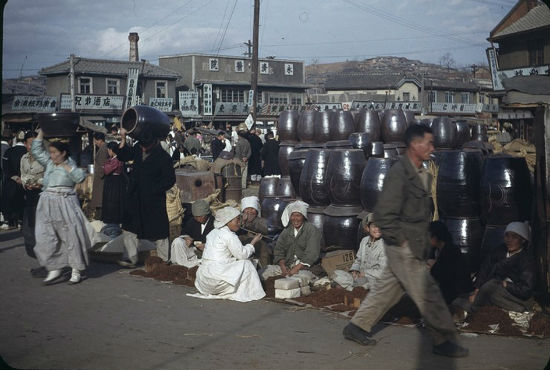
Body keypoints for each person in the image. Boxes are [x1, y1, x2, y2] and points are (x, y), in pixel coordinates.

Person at [343, 124, 468, 358]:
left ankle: (356, 326)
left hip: (414, 246)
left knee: (386, 291)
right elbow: (383, 214)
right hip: (404, 247)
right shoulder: (400, 174)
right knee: (427, 292)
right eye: (428, 143)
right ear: (415, 145)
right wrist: (402, 242)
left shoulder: (423, 172)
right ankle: (442, 340)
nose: (432, 147)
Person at [31, 130, 90, 285]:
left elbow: (80, 177)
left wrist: (66, 167)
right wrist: (42, 131)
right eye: (50, 152)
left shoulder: (70, 164)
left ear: (63, 153)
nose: (52, 155)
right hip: (46, 202)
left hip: (65, 202)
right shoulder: (50, 163)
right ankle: (54, 268)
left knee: (70, 236)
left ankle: (76, 269)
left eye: (55, 152)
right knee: (46, 236)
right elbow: (36, 150)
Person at [115, 127, 176, 266]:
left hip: (153, 200)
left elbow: (170, 180)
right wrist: (123, 138)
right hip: (135, 197)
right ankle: (131, 257)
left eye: (146, 146)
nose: (143, 148)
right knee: (130, 228)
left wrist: (154, 189)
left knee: (159, 232)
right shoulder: (138, 148)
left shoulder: (164, 157)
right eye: (142, 145)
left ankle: (164, 260)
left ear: (154, 143)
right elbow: (123, 155)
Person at [193, 206, 265, 302]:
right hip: (216, 279)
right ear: (227, 221)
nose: (239, 223)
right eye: (237, 220)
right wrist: (253, 243)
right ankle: (251, 292)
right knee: (246, 263)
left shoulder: (212, 233)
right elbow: (242, 255)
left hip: (203, 280)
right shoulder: (229, 235)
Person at [468, 221, 535, 313]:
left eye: (514, 237)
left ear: (523, 240)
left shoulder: (526, 260)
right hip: (492, 290)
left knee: (491, 289)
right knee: (487, 290)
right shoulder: (499, 251)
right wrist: (477, 290)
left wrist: (507, 285)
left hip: (515, 296)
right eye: (507, 235)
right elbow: (485, 269)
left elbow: (526, 290)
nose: (509, 240)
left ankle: (476, 308)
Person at [427, 221, 473, 306]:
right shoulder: (435, 250)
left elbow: (448, 275)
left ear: (436, 237)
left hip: (456, 292)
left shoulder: (452, 251)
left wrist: (433, 266)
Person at [20, 131, 46, 277]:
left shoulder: (44, 158)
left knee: (42, 233)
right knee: (28, 232)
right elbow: (23, 175)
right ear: (25, 144)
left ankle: (46, 264)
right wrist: (26, 183)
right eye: (30, 143)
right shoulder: (23, 158)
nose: (33, 146)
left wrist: (38, 184)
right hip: (29, 199)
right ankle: (44, 261)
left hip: (42, 197)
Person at [272, 200, 322, 277]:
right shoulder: (286, 231)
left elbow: (311, 253)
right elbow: (279, 251)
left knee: (299, 279)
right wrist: (283, 266)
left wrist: (295, 269)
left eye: (298, 215)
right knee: (267, 272)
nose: (295, 218)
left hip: (306, 267)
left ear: (303, 217)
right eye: (292, 215)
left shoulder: (311, 230)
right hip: (288, 266)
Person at [348, 213, 387, 290]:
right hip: (361, 276)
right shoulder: (364, 241)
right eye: (374, 226)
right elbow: (358, 260)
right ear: (367, 228)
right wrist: (354, 270)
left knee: (358, 287)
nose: (377, 229)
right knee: (338, 275)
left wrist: (365, 273)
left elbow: (383, 272)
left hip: (376, 279)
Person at [170, 199, 214, 267]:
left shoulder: (215, 223)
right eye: (195, 216)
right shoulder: (193, 221)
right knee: (177, 241)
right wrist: (186, 237)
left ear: (205, 215)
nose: (196, 218)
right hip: (193, 251)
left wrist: (207, 246)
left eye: (198, 217)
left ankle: (196, 264)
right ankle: (181, 264)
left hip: (209, 253)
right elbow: (184, 232)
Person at [1, 131, 27, 229]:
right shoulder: (27, 152)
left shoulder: (9, 151)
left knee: (8, 200)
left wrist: (14, 177)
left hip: (10, 180)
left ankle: (8, 221)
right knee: (21, 201)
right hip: (23, 181)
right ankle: (20, 220)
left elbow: (5, 167)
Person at [237, 196, 271, 268]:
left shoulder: (262, 221)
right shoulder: (238, 220)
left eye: (252, 209)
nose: (250, 212)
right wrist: (242, 221)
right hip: (244, 241)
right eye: (247, 209)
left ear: (256, 211)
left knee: (263, 248)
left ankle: (264, 268)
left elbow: (264, 230)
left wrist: (248, 223)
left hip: (259, 241)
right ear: (243, 211)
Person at [101, 141, 126, 228]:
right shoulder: (115, 159)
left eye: (108, 150)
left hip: (114, 182)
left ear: (111, 150)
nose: (108, 152)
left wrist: (104, 166)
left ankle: (113, 219)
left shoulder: (116, 160)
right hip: (114, 181)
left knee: (112, 201)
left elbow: (106, 170)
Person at [90, 132, 109, 220]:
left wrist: (100, 174)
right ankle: (99, 217)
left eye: (95, 141)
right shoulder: (103, 148)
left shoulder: (103, 149)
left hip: (101, 178)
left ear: (100, 140)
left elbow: (103, 164)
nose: (95, 143)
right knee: (99, 200)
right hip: (100, 177)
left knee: (100, 200)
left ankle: (100, 218)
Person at [234, 123, 251, 189]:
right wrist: (246, 157)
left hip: (239, 160)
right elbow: (250, 151)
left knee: (239, 173)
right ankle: (243, 185)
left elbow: (237, 152)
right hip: (246, 160)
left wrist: (241, 158)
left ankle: (239, 185)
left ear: (239, 136)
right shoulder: (247, 142)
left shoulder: (239, 142)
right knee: (245, 174)